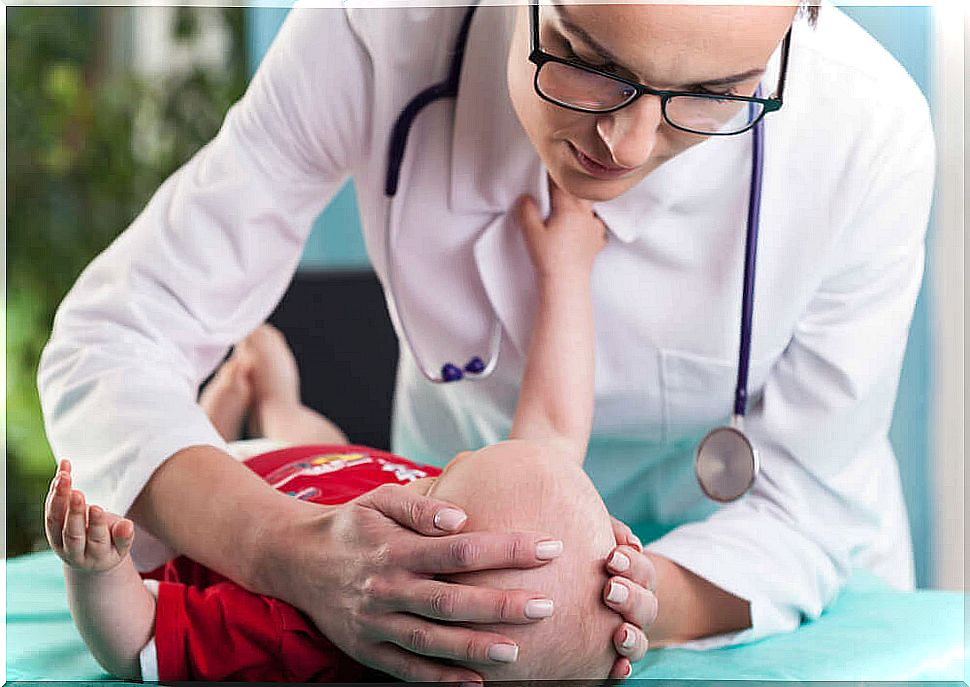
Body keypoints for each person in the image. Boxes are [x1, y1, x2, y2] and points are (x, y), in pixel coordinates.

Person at [37, 0, 935, 682]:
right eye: (587, 61)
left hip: (743, 581)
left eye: (712, 95)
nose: (625, 142)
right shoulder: (378, 27)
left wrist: (600, 611)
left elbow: (806, 511)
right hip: (433, 536)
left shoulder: (868, 133)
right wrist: (292, 552)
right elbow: (109, 344)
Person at [43, 188, 628, 681]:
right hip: (326, 462)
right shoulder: (485, 523)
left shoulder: (301, 628)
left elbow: (137, 641)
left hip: (207, 500)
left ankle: (223, 411)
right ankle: (275, 400)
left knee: (164, 520)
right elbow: (554, 420)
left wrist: (93, 569)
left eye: (444, 479)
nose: (453, 460)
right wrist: (564, 273)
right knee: (315, 435)